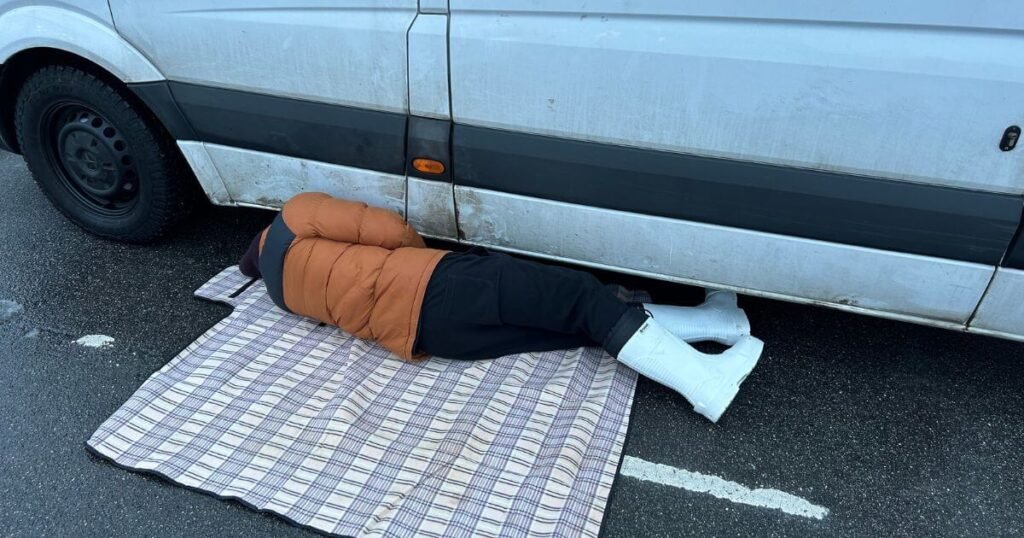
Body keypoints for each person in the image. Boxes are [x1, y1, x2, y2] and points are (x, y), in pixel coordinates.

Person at [239, 192, 763, 422]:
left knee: (574, 323)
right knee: (578, 297)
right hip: (437, 285)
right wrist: (429, 262)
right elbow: (389, 232)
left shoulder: (281, 296)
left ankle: (717, 322)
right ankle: (703, 382)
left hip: (432, 340)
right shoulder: (294, 214)